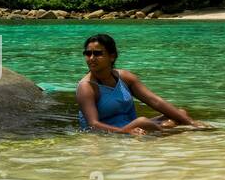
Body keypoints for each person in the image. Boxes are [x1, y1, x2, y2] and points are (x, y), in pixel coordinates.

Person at [76, 33, 204, 135]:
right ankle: (167, 134)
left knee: (181, 113)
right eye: (88, 54)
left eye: (97, 53)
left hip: (133, 126)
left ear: (112, 56)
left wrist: (191, 122)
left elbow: (155, 101)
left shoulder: (125, 78)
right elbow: (93, 124)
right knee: (143, 121)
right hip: (108, 133)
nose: (91, 58)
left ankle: (168, 132)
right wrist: (124, 131)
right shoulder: (86, 87)